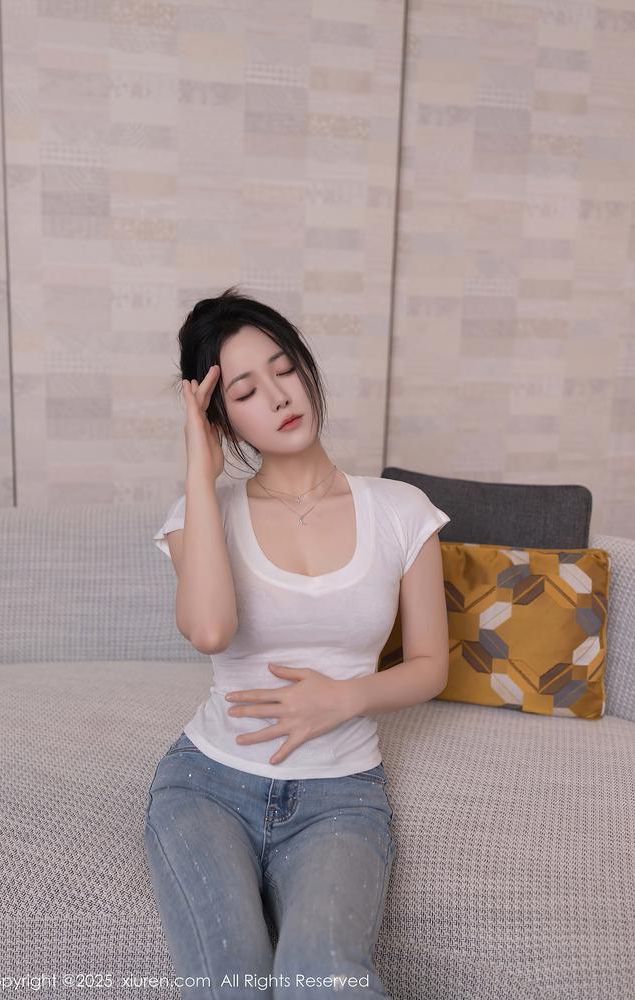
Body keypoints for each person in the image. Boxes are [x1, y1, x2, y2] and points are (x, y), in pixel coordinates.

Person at [144, 286, 451, 999]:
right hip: (205, 788)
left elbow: (431, 665)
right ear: (222, 419)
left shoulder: (401, 511)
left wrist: (345, 699)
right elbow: (211, 631)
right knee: (231, 982)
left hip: (341, 796)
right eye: (246, 391)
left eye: (284, 368)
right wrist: (200, 473)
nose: (280, 396)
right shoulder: (200, 514)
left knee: (325, 976)